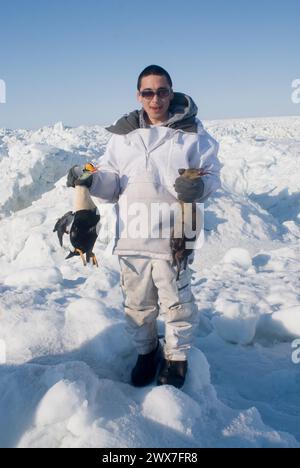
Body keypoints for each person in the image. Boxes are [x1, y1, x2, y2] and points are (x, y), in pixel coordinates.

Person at [67, 65, 221, 388]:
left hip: (174, 236)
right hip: (132, 236)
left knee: (176, 301)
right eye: (148, 92)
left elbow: (211, 175)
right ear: (139, 95)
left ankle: (176, 357)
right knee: (137, 304)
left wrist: (199, 189)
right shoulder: (123, 138)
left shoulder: (192, 134)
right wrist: (90, 179)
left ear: (171, 93)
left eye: (162, 91)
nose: (156, 99)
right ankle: (146, 352)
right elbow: (110, 181)